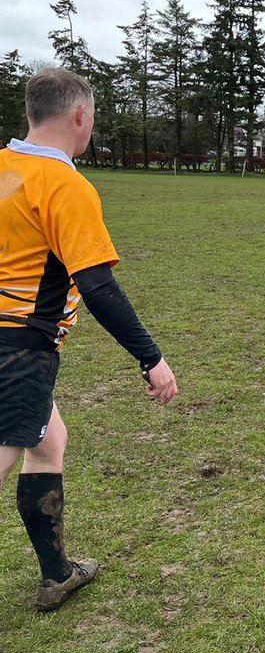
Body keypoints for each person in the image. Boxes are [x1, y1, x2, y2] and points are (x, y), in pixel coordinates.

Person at [0, 68, 179, 612]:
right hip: (19, 346)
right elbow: (97, 285)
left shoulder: (6, 167)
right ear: (81, 115)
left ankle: (57, 573)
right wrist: (152, 358)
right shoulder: (64, 183)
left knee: (48, 442)